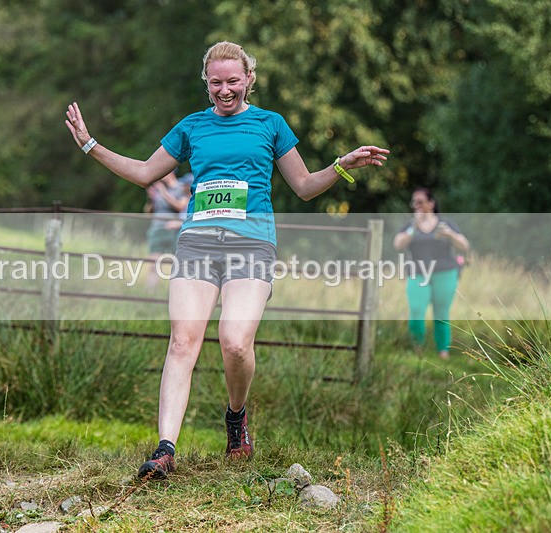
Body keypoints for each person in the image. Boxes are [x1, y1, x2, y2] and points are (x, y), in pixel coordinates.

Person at [64, 41, 389, 480]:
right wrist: (91, 145)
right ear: (206, 82)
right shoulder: (192, 127)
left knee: (235, 341)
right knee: (183, 342)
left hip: (252, 245)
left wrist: (342, 164)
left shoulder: (270, 124)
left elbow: (306, 186)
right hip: (197, 243)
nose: (224, 89)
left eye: (233, 81)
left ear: (249, 79)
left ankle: (236, 419)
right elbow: (144, 172)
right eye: (215, 82)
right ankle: (165, 450)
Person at [393, 187, 469, 360]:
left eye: (420, 202)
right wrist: (414, 227)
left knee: (441, 312)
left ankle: (443, 351)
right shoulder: (410, 225)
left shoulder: (445, 224)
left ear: (431, 203)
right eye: (414, 202)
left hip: (445, 273)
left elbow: (465, 246)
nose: (416, 205)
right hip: (418, 273)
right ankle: (416, 348)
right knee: (416, 310)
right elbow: (398, 244)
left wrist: (450, 234)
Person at [145, 169, 192, 294]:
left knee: (178, 264)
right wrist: (152, 199)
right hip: (157, 228)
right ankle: (150, 293)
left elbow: (181, 206)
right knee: (152, 264)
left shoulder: (182, 187)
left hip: (173, 229)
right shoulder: (158, 188)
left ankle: (179, 293)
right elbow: (148, 211)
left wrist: (163, 192)